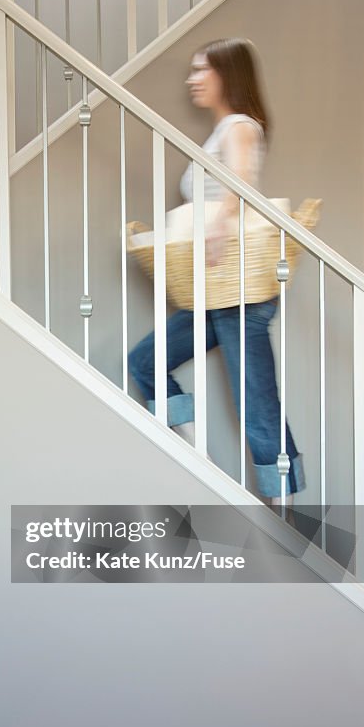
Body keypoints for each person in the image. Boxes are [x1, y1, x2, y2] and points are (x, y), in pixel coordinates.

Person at [128, 37, 305, 505]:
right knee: (144, 362)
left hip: (240, 289)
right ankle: (194, 459)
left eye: (201, 70)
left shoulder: (240, 126)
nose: (192, 79)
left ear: (227, 73)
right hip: (212, 289)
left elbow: (242, 180)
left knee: (257, 404)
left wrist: (221, 224)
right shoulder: (219, 130)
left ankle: (285, 510)